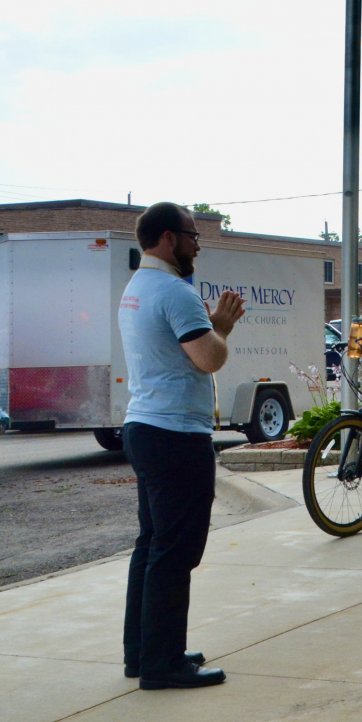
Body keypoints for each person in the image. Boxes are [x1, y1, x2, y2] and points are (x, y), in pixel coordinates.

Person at [117, 202, 245, 689]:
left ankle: (144, 650)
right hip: (175, 435)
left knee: (151, 545)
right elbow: (209, 357)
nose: (197, 244)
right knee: (175, 550)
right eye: (193, 236)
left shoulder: (136, 286)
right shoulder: (176, 291)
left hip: (144, 427)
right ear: (169, 238)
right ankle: (163, 663)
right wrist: (222, 325)